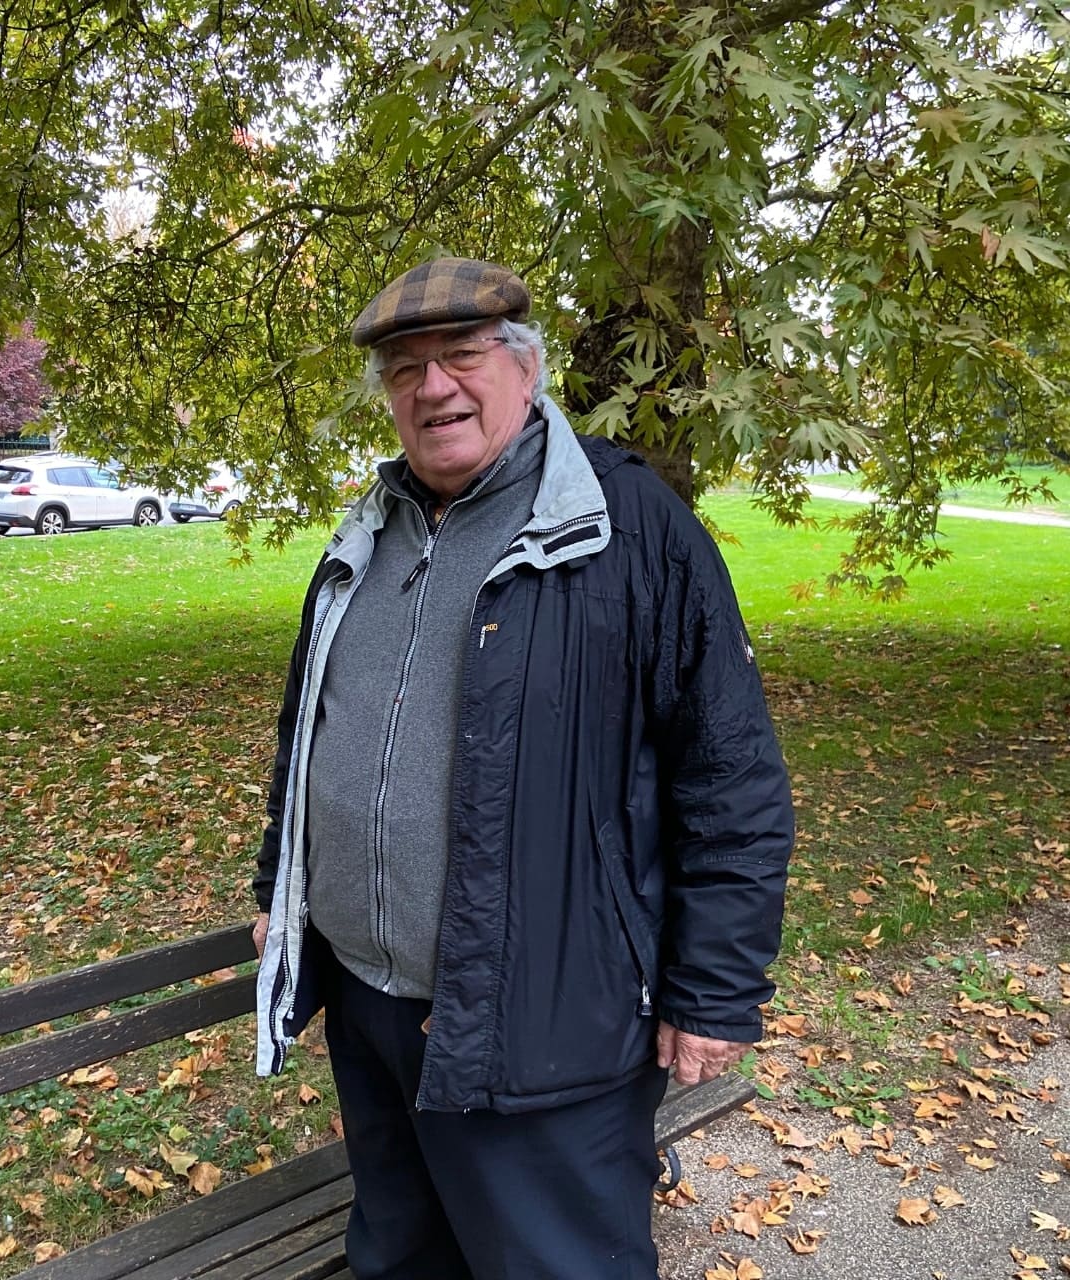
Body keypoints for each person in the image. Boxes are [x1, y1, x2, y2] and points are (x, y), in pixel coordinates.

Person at [252, 256, 793, 1280]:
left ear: (525, 367)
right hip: (371, 1005)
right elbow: (311, 726)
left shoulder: (628, 527)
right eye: (404, 368)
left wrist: (714, 990)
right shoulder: (370, 530)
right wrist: (278, 879)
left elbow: (729, 775)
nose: (432, 387)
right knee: (403, 1256)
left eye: (460, 356)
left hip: (547, 1017)